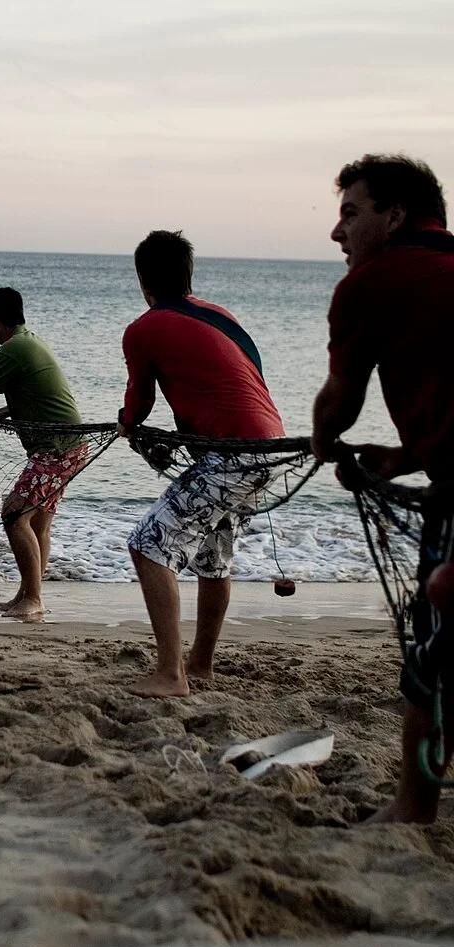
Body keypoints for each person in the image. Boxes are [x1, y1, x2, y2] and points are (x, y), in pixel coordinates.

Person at [311, 154, 454, 823]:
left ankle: (412, 808)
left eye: (349, 214)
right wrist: (403, 456)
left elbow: (339, 403)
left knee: (431, 652)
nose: (338, 235)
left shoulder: (375, 282)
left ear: (395, 215)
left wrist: (323, 442)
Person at [120, 230, 285, 698]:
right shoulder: (220, 315)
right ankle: (201, 665)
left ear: (143, 281)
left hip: (233, 454)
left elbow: (139, 405)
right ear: (188, 274)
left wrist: (128, 425)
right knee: (212, 557)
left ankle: (170, 675)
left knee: (149, 545)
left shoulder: (144, 328)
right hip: (270, 448)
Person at [0, 287, 83, 619]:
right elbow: (36, 392)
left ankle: (33, 599)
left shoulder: (10, 349)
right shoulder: (30, 340)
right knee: (37, 523)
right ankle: (26, 596)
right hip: (70, 445)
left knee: (14, 514)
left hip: (56, 449)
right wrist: (8, 410)